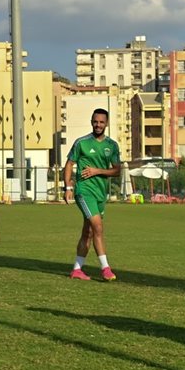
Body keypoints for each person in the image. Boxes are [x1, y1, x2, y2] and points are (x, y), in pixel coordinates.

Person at [63, 108, 123, 281]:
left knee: (88, 232)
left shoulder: (112, 145)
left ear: (107, 124)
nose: (98, 125)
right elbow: (69, 164)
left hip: (100, 194)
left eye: (101, 122)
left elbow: (117, 170)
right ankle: (105, 269)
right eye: (95, 121)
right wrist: (68, 187)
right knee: (98, 227)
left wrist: (97, 171)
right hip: (84, 192)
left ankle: (77, 269)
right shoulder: (81, 143)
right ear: (91, 122)